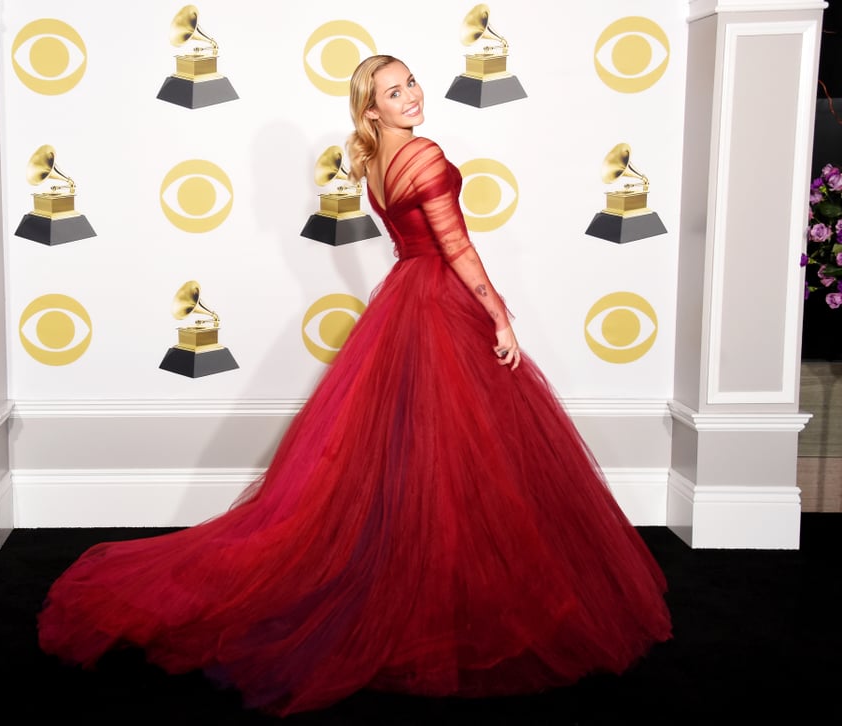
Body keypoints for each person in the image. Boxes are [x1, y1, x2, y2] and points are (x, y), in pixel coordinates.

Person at [36, 54, 673, 717]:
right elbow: (457, 248)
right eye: (393, 92)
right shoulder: (423, 155)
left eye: (411, 83)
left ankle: (429, 576)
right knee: (460, 449)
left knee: (420, 452)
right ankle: (446, 592)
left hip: (406, 298)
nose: (411, 96)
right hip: (440, 302)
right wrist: (499, 314)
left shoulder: (372, 164)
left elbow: (417, 240)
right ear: (371, 109)